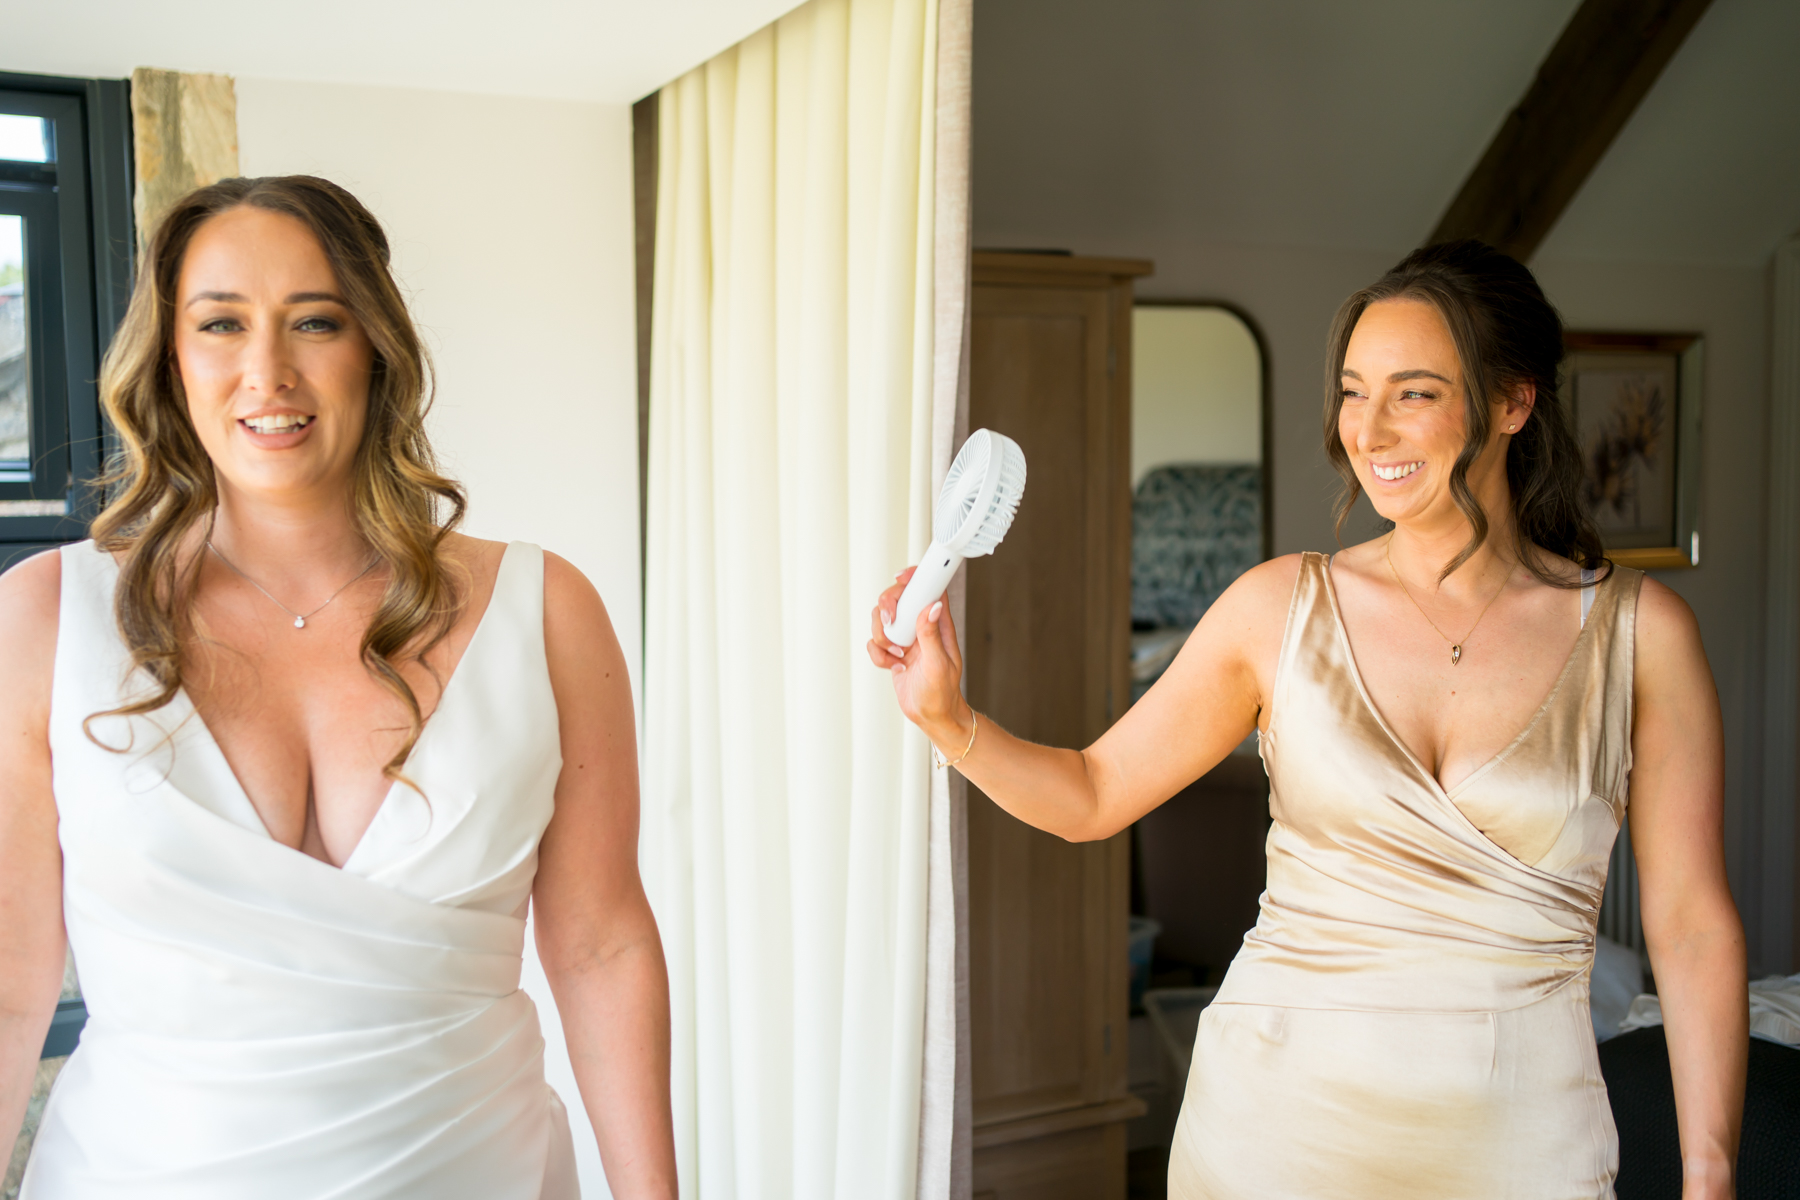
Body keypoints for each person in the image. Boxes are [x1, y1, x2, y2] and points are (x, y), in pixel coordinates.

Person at [869, 241, 1747, 1199]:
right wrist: (949, 717)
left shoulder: (1641, 637)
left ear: (1512, 403)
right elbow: (1094, 793)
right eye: (1351, 391)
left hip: (1524, 1144)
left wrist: (1708, 1174)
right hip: (1270, 1134)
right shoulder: (1276, 607)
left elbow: (1691, 924)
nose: (1367, 431)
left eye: (1413, 393)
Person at [0, 176, 675, 1199]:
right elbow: (9, 983)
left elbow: (601, 946)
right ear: (171, 360)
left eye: (314, 321)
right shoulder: (47, 618)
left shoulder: (546, 609)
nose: (267, 371)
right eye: (221, 324)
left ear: (376, 350)